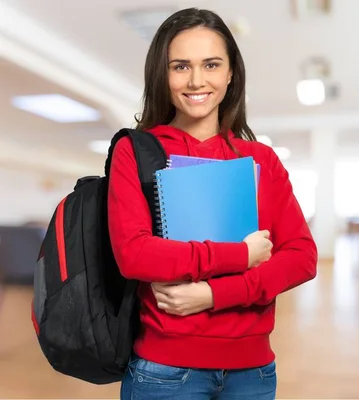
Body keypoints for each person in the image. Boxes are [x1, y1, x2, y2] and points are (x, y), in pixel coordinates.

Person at [107, 8, 317, 400]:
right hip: (165, 372)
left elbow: (302, 257)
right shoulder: (135, 151)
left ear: (231, 73)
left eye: (211, 64)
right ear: (162, 74)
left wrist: (213, 295)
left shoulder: (261, 160)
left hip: (253, 373)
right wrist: (242, 255)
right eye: (181, 66)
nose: (197, 80)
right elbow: (135, 256)